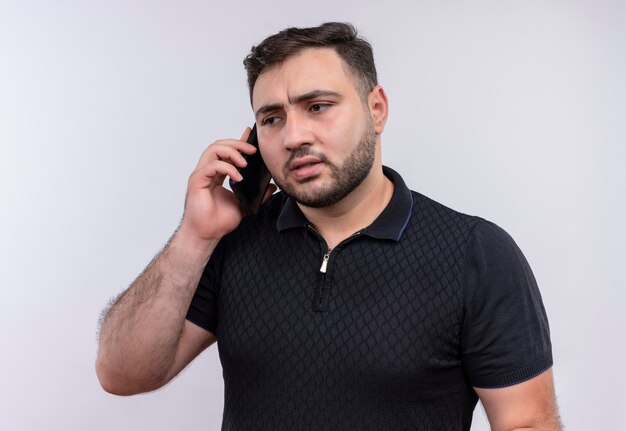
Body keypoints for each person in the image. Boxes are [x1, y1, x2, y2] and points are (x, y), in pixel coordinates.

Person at [96, 22, 561, 430]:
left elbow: (527, 423)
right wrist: (196, 235)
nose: (294, 136)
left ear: (376, 109)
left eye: (317, 106)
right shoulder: (232, 245)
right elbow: (122, 374)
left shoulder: (474, 253)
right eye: (272, 118)